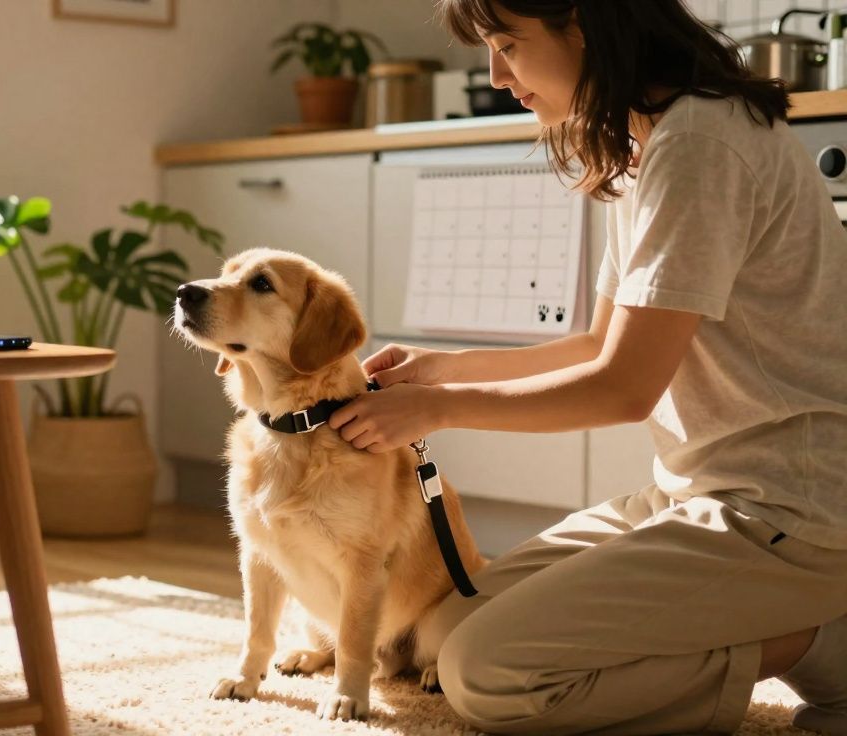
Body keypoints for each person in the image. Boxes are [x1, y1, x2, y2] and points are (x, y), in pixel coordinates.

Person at [327, 1, 847, 733]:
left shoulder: (701, 143)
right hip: (695, 490)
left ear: (584, 25)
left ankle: (817, 643)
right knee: (446, 632)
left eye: (507, 44)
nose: (497, 75)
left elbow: (625, 388)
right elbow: (602, 343)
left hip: (788, 512)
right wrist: (441, 369)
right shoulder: (642, 142)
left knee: (488, 674)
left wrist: (435, 410)